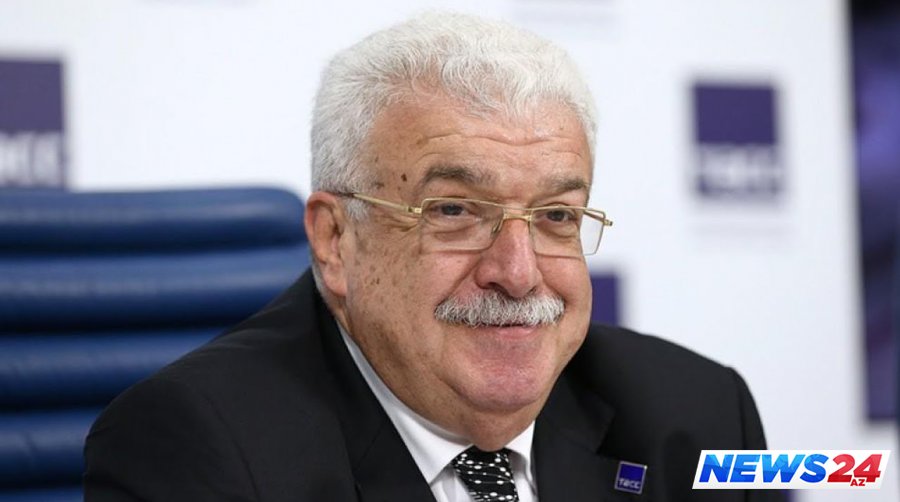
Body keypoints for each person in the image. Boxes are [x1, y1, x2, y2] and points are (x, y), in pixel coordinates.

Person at [84, 12, 782, 502]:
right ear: (335, 238)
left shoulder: (699, 417)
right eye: (454, 211)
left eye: (555, 216)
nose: (518, 273)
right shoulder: (196, 448)